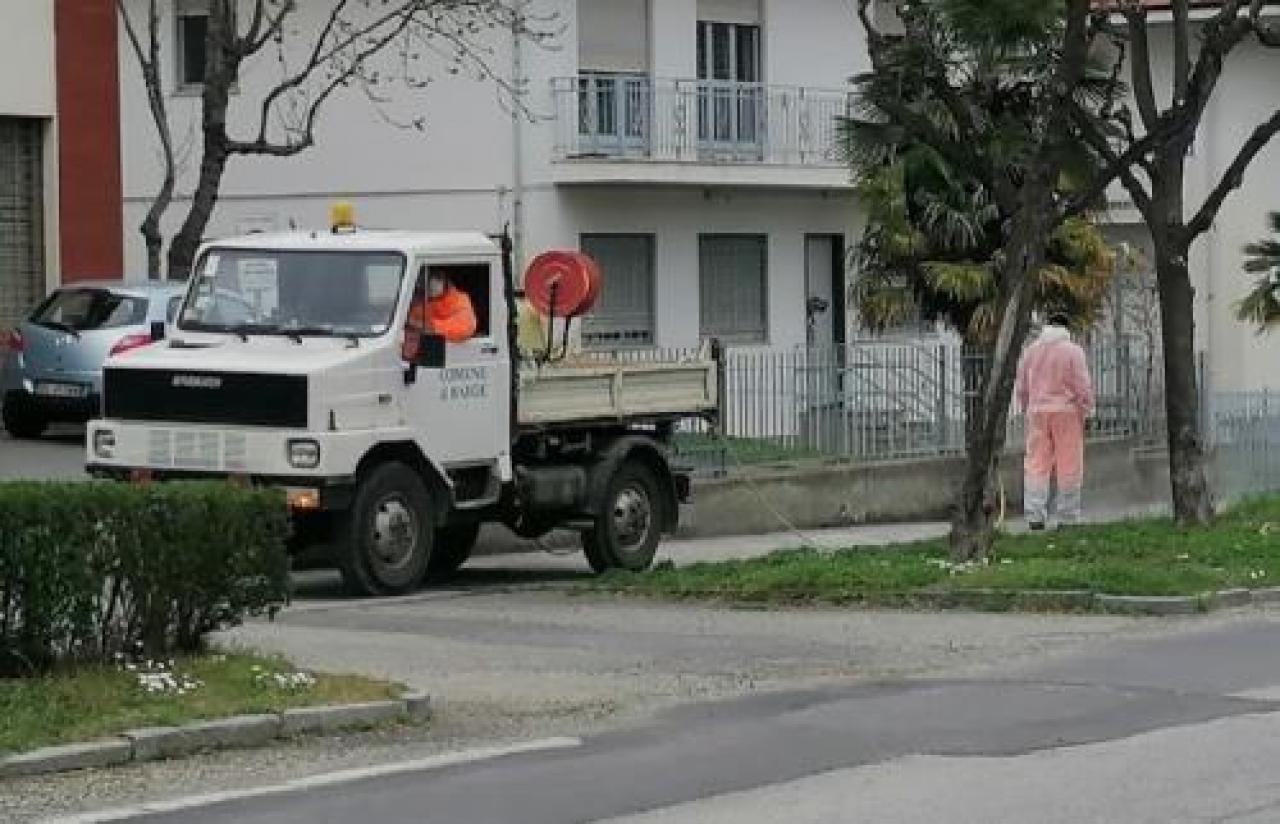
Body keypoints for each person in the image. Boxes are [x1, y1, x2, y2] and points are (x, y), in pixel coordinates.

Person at [1015, 312, 1095, 530]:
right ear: (1067, 328)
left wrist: (1026, 406)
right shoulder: (1073, 351)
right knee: (1069, 463)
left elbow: (1022, 385)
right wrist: (1087, 410)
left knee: (1036, 464)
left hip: (1037, 412)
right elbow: (1082, 385)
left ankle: (1035, 516)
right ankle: (1067, 516)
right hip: (1067, 412)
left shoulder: (1031, 351)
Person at [407, 268, 476, 344]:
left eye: (438, 279)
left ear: (445, 282)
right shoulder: (425, 302)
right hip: (425, 344)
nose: (430, 285)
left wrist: (430, 327)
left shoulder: (459, 300)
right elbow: (409, 318)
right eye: (424, 282)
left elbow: (465, 328)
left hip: (448, 348)